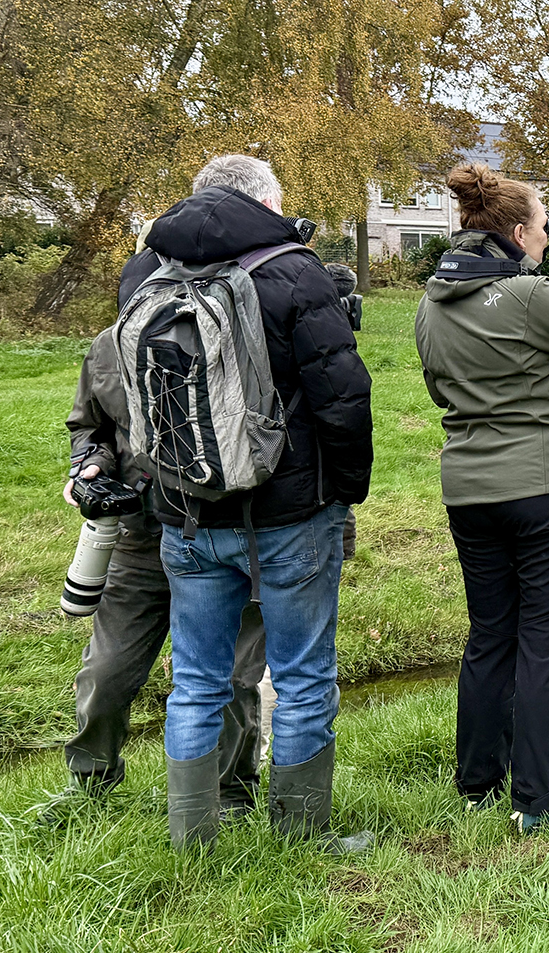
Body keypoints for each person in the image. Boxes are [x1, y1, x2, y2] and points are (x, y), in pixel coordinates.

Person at [124, 154, 373, 851]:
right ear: (266, 199)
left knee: (197, 680)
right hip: (291, 513)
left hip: (187, 507)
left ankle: (191, 838)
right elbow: (344, 398)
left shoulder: (147, 271)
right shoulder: (297, 270)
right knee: (302, 676)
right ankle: (302, 836)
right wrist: (344, 492)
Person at [412, 163, 549, 832]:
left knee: (490, 636)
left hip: (469, 488)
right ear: (521, 231)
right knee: (544, 643)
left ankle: (477, 783)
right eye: (543, 230)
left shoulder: (430, 305)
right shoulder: (529, 296)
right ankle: (535, 802)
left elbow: (442, 391)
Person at [52, 272, 266, 818]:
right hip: (138, 540)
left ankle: (231, 794)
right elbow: (87, 424)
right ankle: (89, 784)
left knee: (234, 680)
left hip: (220, 536)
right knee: (106, 673)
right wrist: (90, 464)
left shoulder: (234, 337)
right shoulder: (106, 347)